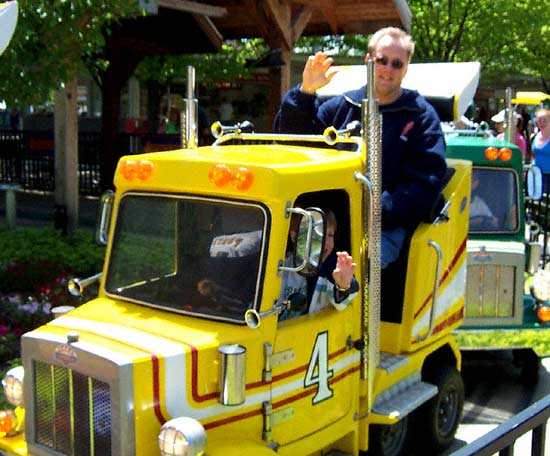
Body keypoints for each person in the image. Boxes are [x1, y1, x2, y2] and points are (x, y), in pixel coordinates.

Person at [275, 27, 447, 269]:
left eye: (397, 63)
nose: (388, 69)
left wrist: (370, 211)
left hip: (382, 228)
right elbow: (293, 145)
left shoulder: (421, 117)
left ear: (406, 67)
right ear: (368, 60)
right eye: (381, 60)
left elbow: (426, 182)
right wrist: (306, 92)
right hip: (325, 221)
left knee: (350, 274)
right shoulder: (342, 106)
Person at [279, 210, 358, 318]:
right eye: (316, 234)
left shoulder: (334, 266)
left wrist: (343, 287)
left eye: (330, 235)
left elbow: (341, 304)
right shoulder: (284, 265)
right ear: (294, 237)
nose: (324, 242)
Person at [532, 109, 550, 191]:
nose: (541, 123)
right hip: (535, 175)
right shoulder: (535, 136)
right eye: (539, 120)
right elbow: (533, 156)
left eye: (544, 120)